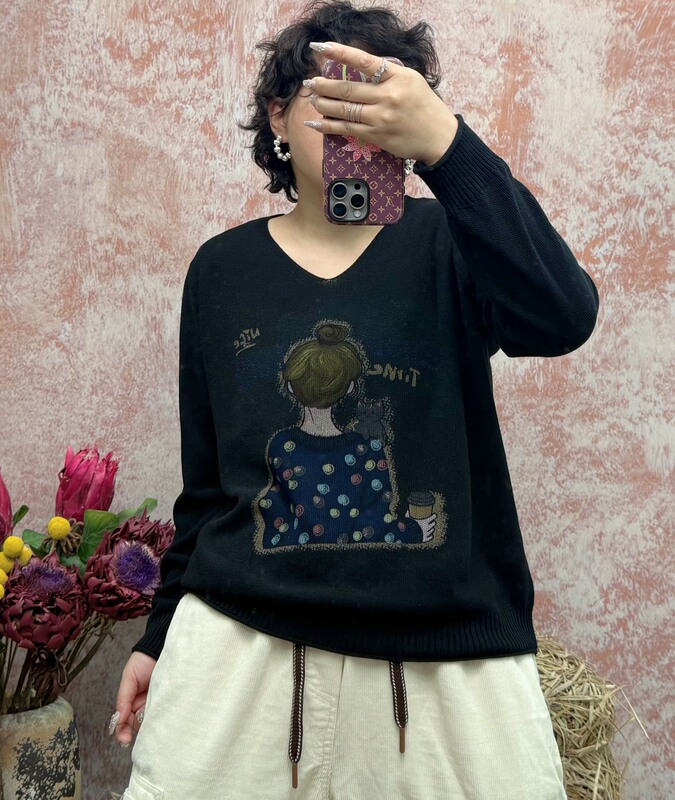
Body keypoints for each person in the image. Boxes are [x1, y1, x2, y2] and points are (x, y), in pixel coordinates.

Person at [114, 2, 599, 798]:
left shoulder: (453, 243)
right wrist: (158, 637)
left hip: (445, 660)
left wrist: (447, 146)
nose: (352, 120)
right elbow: (207, 487)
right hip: (237, 650)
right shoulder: (221, 270)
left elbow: (563, 317)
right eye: (329, 95)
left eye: (376, 96)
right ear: (277, 115)